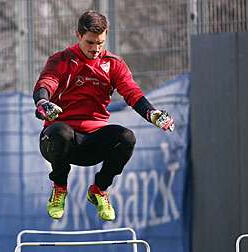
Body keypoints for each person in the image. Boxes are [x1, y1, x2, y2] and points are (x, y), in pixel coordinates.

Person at [33, 10, 174, 222]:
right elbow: (47, 83)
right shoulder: (61, 60)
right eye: (90, 43)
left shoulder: (113, 64)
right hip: (59, 142)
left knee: (126, 137)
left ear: (106, 35)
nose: (96, 49)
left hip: (92, 143)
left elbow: (131, 92)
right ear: (78, 35)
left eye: (100, 42)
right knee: (59, 131)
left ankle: (99, 190)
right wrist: (43, 102)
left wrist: (151, 113)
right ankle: (60, 187)